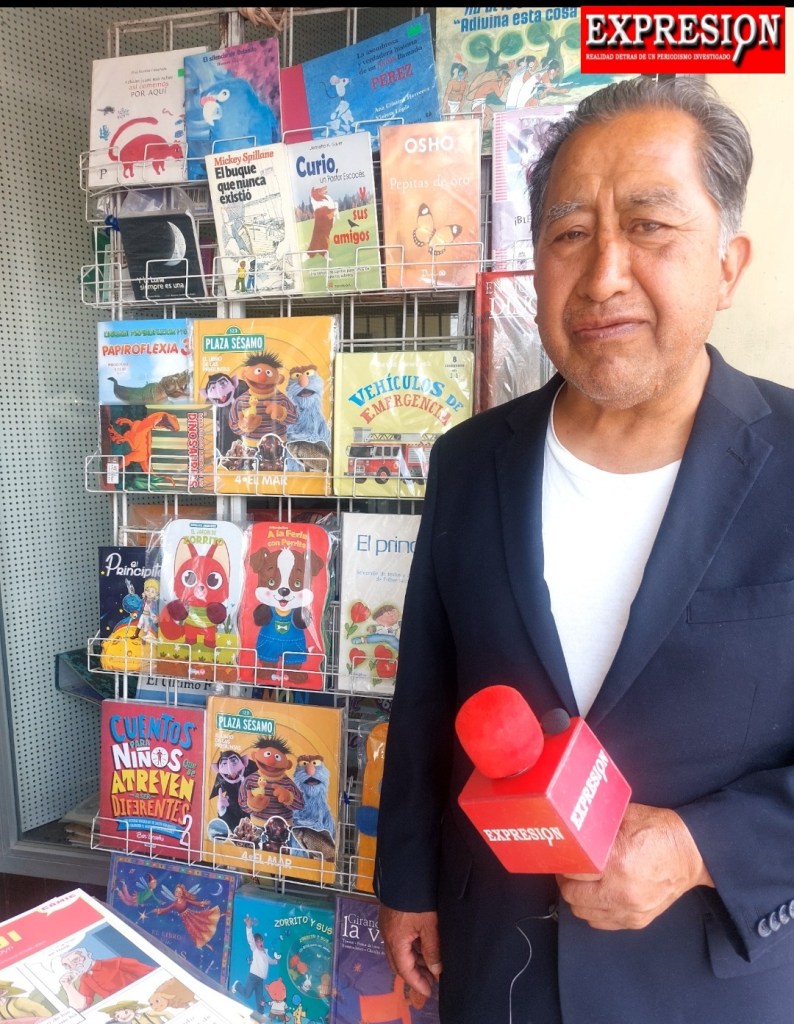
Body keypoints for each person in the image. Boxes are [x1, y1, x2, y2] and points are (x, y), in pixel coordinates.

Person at [375, 75, 794, 1023]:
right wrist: (406, 881)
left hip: (713, 984)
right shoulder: (470, 461)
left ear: (728, 265)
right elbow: (427, 691)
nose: (603, 274)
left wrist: (699, 847)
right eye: (569, 234)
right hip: (497, 967)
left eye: (650, 226)